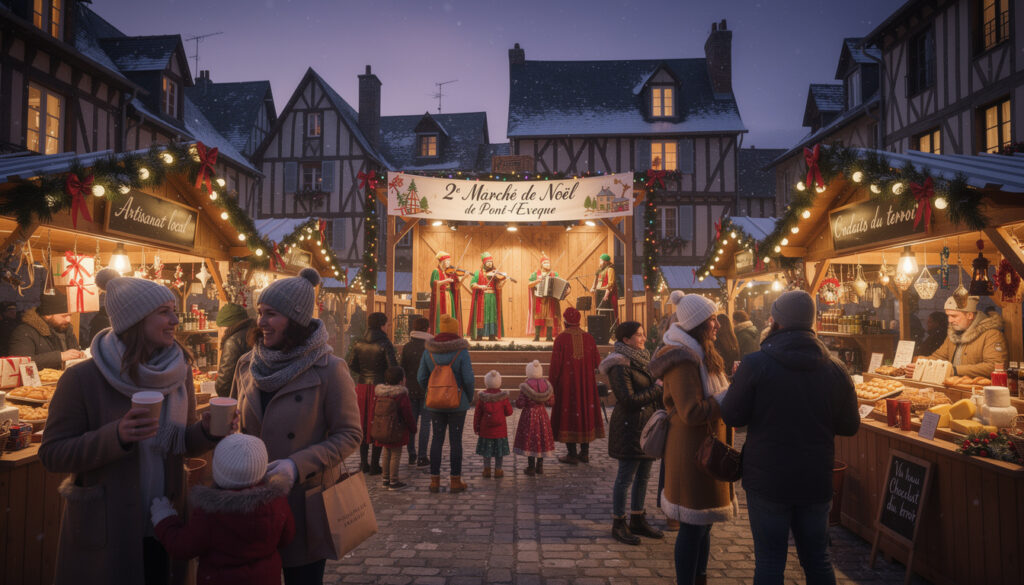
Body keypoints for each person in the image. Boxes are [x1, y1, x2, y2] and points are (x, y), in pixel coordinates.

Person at [39, 268, 226, 585]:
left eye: (174, 312)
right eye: (164, 312)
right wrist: (116, 436)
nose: (175, 321)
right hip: (107, 529)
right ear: (135, 320)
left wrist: (207, 431)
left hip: (165, 522)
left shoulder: (178, 373)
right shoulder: (83, 378)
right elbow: (53, 454)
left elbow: (182, 443)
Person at [231, 268, 362, 585]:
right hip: (249, 500)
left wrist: (295, 465)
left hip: (302, 502)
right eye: (260, 312)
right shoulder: (247, 363)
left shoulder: (330, 369)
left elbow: (350, 435)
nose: (261, 321)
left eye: (272, 314)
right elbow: (235, 424)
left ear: (296, 319)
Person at [721, 290, 860, 585]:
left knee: (770, 561)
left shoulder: (756, 364)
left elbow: (732, 416)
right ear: (811, 323)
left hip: (768, 478)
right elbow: (849, 425)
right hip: (814, 476)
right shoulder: (835, 369)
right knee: (818, 558)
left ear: (777, 322)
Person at [650, 294, 738, 585]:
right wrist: (726, 397)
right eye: (712, 319)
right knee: (692, 527)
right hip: (691, 453)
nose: (717, 325)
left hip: (708, 450)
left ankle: (701, 578)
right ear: (698, 324)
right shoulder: (683, 360)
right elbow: (690, 412)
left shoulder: (702, 353)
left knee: (705, 524)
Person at [150, 433, 295, 585]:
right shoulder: (278, 502)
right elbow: (287, 537)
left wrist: (164, 518)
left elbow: (182, 547)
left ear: (218, 470)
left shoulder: (211, 513)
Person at [601, 321, 664, 545]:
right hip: (629, 427)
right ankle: (619, 522)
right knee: (625, 477)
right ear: (625, 340)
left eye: (643, 333)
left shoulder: (643, 360)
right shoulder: (620, 365)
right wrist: (656, 388)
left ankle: (638, 518)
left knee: (644, 475)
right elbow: (627, 401)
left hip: (647, 426)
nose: (643, 338)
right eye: (638, 335)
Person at [417, 314, 475, 494]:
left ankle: (434, 481)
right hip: (457, 403)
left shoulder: (429, 351)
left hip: (435, 403)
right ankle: (455, 481)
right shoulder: (461, 351)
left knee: (436, 439)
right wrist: (468, 396)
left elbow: (421, 377)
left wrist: (432, 391)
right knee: (455, 442)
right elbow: (468, 379)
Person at [549, 307, 605, 464]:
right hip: (586, 385)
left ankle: (572, 454)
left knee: (568, 414)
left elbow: (555, 367)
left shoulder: (560, 339)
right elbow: (598, 363)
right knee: (584, 413)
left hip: (567, 386)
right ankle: (585, 453)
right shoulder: (589, 338)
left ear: (565, 321)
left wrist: (551, 386)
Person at [905, 295, 1008, 378]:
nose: (949, 320)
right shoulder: (953, 335)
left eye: (954, 316)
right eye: (948, 315)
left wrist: (953, 370)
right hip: (955, 387)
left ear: (969, 315)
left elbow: (994, 366)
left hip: (980, 392)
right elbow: (939, 357)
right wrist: (918, 363)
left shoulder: (991, 335)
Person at [348, 311, 398, 475]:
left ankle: (364, 463)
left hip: (362, 387)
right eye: (387, 324)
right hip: (379, 387)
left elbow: (352, 364)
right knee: (378, 423)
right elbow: (393, 367)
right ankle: (375, 464)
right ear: (381, 325)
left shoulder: (359, 342)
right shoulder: (385, 343)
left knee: (363, 424)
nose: (387, 327)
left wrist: (364, 372)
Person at [8, 290, 84, 369]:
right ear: (48, 315)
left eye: (70, 315)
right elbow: (19, 362)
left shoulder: (67, 330)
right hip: (39, 380)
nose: (69, 320)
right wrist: (60, 356)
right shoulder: (24, 332)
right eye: (64, 316)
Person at [371, 366, 417, 490]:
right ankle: (394, 481)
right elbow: (407, 414)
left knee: (386, 453)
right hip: (396, 430)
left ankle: (385, 479)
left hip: (383, 430)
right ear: (401, 381)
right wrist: (413, 428)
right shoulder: (401, 395)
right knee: (395, 455)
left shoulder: (380, 394)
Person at [400, 316, 433, 466]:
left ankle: (411, 453)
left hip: (410, 389)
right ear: (427, 329)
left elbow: (402, 369)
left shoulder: (407, 347)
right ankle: (422, 456)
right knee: (425, 423)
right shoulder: (431, 346)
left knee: (411, 422)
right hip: (427, 389)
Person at [514, 359, 555, 475]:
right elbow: (551, 402)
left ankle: (531, 467)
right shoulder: (546, 385)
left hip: (529, 416)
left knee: (530, 439)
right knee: (541, 438)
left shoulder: (526, 385)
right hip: (542, 414)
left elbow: (520, 404)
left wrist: (518, 402)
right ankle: (540, 466)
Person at [474, 370, 513, 478]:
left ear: (486, 382)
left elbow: (477, 414)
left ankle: (486, 470)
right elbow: (509, 412)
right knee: (499, 452)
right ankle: (498, 470)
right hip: (500, 432)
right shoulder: (503, 397)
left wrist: (476, 427)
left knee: (487, 451)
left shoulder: (482, 398)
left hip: (485, 431)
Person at [215, 302, 256, 398]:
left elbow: (223, 385)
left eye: (220, 327)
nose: (220, 332)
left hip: (236, 401)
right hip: (251, 398)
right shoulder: (252, 334)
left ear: (226, 326)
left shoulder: (232, 342)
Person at [467, 251, 505, 341]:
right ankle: (479, 335)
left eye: (491, 262)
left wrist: (503, 282)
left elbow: (498, 287)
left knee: (492, 315)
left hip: (492, 298)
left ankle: (492, 335)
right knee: (482, 316)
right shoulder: (478, 273)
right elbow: (472, 284)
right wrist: (481, 286)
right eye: (488, 262)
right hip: (482, 297)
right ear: (484, 263)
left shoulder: (495, 273)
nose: (490, 264)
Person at [526, 254, 561, 341]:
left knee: (550, 317)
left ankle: (549, 336)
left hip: (550, 298)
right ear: (541, 264)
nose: (548, 264)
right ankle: (537, 336)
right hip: (539, 298)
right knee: (538, 316)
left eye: (549, 263)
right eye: (545, 263)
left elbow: (558, 284)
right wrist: (537, 281)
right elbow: (529, 284)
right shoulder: (535, 274)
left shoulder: (554, 274)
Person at [429, 251, 463, 335]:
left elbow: (456, 287)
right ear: (442, 262)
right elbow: (434, 283)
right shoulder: (436, 271)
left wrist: (463, 277)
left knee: (450, 313)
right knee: (441, 314)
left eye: (449, 261)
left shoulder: (447, 272)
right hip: (440, 296)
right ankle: (440, 331)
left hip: (448, 295)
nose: (449, 263)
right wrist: (446, 281)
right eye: (447, 261)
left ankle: (449, 331)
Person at [594, 253, 618, 325]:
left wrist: (603, 290)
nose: (600, 263)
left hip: (607, 294)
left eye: (601, 261)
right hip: (601, 293)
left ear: (605, 262)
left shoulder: (610, 269)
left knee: (606, 312)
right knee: (600, 311)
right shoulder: (602, 270)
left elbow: (610, 283)